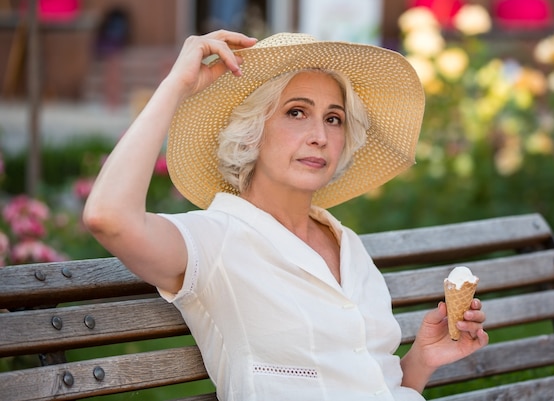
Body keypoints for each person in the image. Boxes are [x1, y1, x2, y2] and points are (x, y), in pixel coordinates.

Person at [83, 30, 488, 401]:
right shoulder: (217, 240)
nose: (320, 135)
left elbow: (372, 385)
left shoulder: (347, 244)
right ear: (251, 129)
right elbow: (108, 217)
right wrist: (176, 87)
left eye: (334, 119)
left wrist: (422, 359)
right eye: (297, 112)